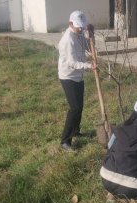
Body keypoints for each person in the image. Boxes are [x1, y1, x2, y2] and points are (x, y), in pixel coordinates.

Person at [58, 10, 96, 151]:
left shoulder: (79, 34)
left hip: (78, 75)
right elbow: (72, 63)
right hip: (68, 76)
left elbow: (89, 47)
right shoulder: (68, 40)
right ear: (70, 23)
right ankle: (65, 141)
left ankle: (76, 130)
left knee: (80, 105)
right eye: (78, 26)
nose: (81, 29)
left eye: (82, 26)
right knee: (74, 108)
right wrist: (89, 66)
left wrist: (91, 34)